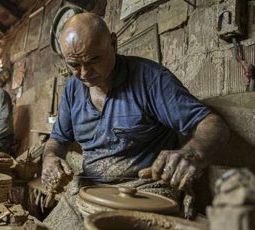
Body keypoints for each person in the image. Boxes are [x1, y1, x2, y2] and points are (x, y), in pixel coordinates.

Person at [41, 13, 230, 229]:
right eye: (74, 65)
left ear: (113, 43)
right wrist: (50, 158)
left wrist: (194, 153)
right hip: (89, 187)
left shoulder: (151, 79)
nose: (84, 73)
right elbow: (58, 138)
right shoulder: (72, 89)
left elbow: (214, 124)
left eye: (94, 60)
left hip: (146, 190)